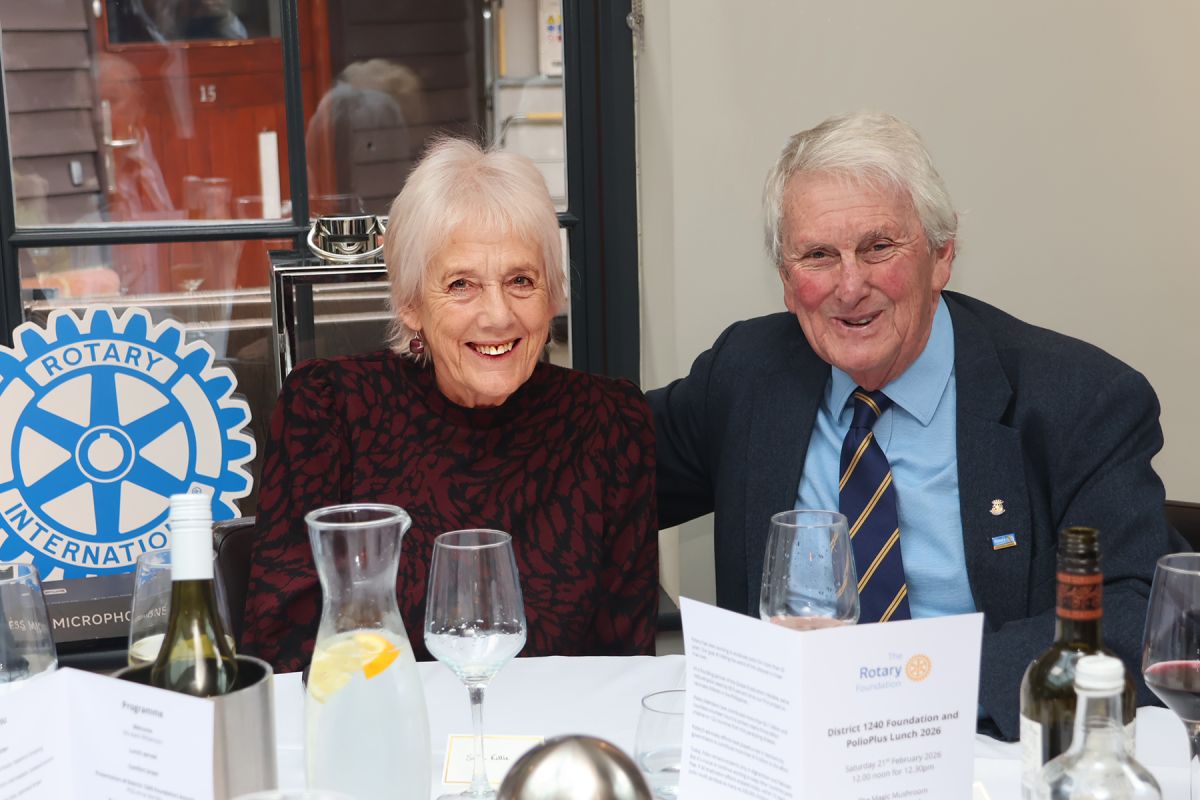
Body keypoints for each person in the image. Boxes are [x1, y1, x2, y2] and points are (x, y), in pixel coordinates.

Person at [648, 110, 1180, 740]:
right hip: (793, 745)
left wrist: (916, 686)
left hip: (980, 744)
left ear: (942, 254)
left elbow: (1138, 609)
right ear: (787, 283)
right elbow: (596, 461)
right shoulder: (747, 374)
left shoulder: (1078, 400)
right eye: (818, 256)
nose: (850, 286)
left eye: (878, 247)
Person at [242, 138, 658, 672]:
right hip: (382, 719)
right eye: (462, 284)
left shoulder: (609, 424)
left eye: (521, 281)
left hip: (554, 724)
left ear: (553, 295)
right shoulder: (330, 411)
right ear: (410, 303)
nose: (498, 315)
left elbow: (624, 666)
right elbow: (284, 648)